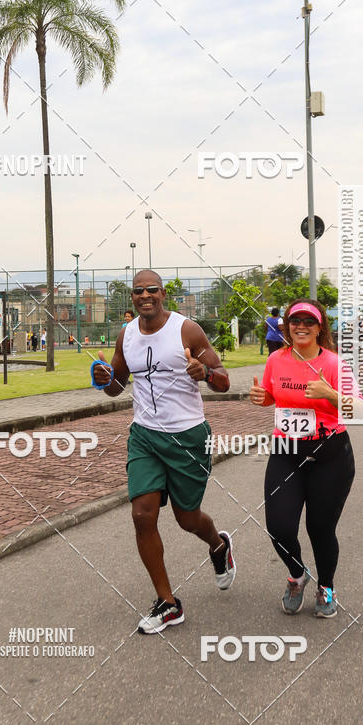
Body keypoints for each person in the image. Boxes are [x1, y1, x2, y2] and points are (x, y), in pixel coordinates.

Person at [91, 270, 235, 634]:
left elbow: (223, 379)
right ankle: (168, 603)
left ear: (163, 294)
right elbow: (117, 385)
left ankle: (218, 545)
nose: (145, 296)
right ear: (133, 298)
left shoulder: (187, 330)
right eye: (138, 291)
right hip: (145, 436)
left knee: (188, 519)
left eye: (151, 290)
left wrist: (204, 372)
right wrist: (106, 380)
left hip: (187, 437)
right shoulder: (127, 335)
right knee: (142, 515)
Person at [249, 299, 363, 619]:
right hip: (286, 453)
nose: (301, 326)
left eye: (308, 322)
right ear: (286, 326)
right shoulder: (276, 360)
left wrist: (330, 394)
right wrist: (265, 398)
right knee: (280, 526)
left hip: (329, 455)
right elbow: (275, 396)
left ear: (320, 327)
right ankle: (296, 574)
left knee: (320, 528)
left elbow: (361, 410)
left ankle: (326, 586)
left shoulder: (333, 364)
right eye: (295, 321)